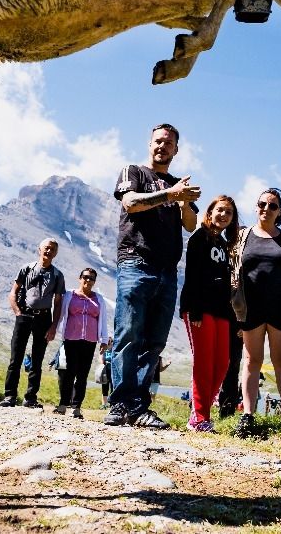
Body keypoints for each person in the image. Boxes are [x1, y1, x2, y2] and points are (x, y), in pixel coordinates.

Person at [104, 124, 200, 430]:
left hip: (167, 270)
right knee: (128, 333)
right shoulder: (133, 172)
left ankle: (139, 406)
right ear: (150, 144)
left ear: (175, 149)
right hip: (135, 262)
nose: (162, 146)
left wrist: (183, 200)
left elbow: (190, 224)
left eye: (168, 143)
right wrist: (170, 194)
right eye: (158, 141)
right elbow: (130, 203)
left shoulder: (177, 184)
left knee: (154, 341)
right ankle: (119, 404)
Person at [231, 188, 281, 439]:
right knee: (252, 361)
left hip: (279, 308)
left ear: (279, 212)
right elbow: (233, 270)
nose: (266, 208)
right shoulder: (243, 236)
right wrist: (234, 303)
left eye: (272, 206)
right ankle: (248, 416)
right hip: (250, 308)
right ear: (255, 207)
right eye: (262, 203)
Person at [180, 194, 239, 431]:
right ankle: (199, 418)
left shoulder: (225, 245)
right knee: (203, 364)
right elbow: (193, 274)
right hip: (199, 310)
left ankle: (202, 412)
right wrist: (194, 309)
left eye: (229, 213)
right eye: (220, 210)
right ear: (211, 212)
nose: (223, 215)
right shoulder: (199, 237)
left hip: (222, 312)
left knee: (222, 363)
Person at [0, 239, 65, 408]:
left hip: (44, 319)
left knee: (37, 359)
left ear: (56, 253)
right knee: (16, 357)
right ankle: (10, 396)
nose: (49, 251)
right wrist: (18, 312)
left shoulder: (57, 275)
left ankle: (30, 398)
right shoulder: (26, 268)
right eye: (46, 248)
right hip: (24, 316)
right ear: (39, 249)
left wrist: (53, 327)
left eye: (52, 249)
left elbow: (58, 304)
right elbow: (12, 293)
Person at [52, 267, 109, 418]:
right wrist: (54, 330)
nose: (88, 280)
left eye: (91, 278)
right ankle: (63, 404)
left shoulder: (99, 299)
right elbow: (62, 314)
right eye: (85, 277)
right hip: (71, 338)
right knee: (69, 373)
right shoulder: (70, 295)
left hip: (90, 341)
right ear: (80, 278)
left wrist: (103, 340)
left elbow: (103, 320)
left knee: (82, 375)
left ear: (94, 282)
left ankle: (76, 407)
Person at [100, 338, 113, 408]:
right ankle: (104, 404)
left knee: (113, 387)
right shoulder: (104, 350)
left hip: (113, 371)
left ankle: (112, 403)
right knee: (105, 387)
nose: (109, 343)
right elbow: (101, 359)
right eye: (108, 342)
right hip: (105, 371)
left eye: (110, 342)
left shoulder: (114, 350)